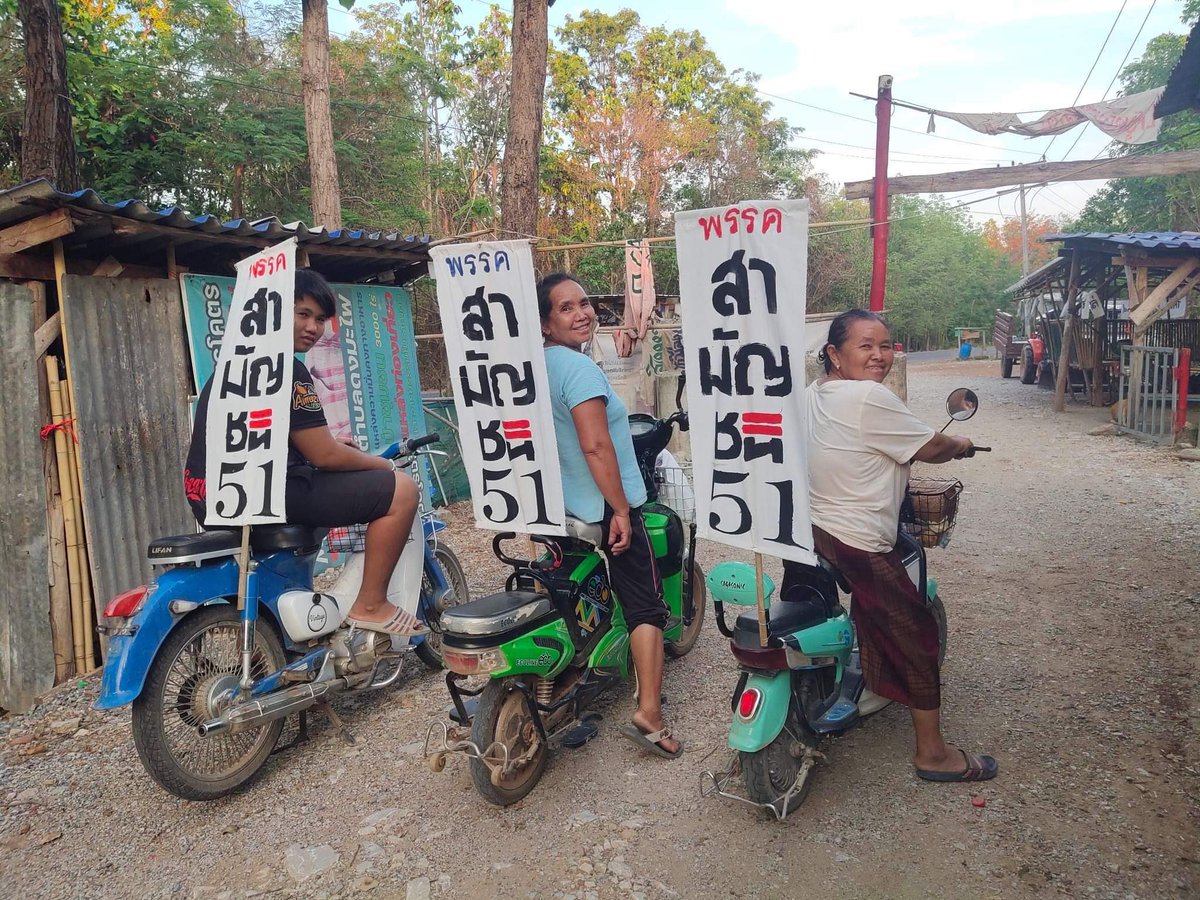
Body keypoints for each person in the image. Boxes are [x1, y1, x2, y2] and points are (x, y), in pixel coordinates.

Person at [805, 308, 998, 782]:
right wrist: (962, 442)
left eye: (886, 345)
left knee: (874, 611)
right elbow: (930, 448)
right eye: (865, 345)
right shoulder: (870, 397)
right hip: (859, 538)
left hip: (818, 528)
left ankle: (867, 682)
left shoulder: (815, 393)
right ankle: (932, 753)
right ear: (834, 353)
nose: (879, 355)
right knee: (917, 634)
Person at [183, 268, 424, 636]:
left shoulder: (231, 366)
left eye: (321, 318)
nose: (313, 327)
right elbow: (326, 457)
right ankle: (370, 604)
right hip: (269, 493)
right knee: (402, 491)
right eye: (303, 314)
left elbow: (271, 436)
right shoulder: (289, 369)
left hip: (211, 495)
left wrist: (321, 447)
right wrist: (382, 464)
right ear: (276, 314)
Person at [537, 272, 682, 759]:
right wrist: (621, 507)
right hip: (603, 504)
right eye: (565, 308)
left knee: (563, 591)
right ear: (544, 322)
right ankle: (649, 713)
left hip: (558, 507)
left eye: (584, 303)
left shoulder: (535, 367)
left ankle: (565, 677)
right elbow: (597, 445)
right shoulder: (578, 371)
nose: (582, 313)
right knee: (646, 604)